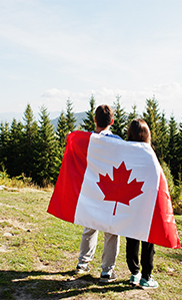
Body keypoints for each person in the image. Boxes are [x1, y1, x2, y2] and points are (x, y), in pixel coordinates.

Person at [75, 104, 121, 283]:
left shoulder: (89, 139)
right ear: (112, 121)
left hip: (93, 190)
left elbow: (70, 141)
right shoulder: (118, 141)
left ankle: (82, 263)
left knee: (89, 226)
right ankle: (106, 271)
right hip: (111, 191)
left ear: (94, 120)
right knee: (111, 231)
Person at [125, 118, 159, 289]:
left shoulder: (125, 150)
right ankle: (146, 277)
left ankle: (134, 273)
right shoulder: (149, 152)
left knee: (131, 236)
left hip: (129, 200)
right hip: (147, 202)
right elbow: (157, 177)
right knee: (148, 240)